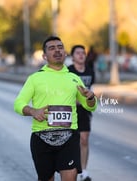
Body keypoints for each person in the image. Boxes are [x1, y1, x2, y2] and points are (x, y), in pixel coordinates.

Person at [14, 36, 97, 181]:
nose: (57, 50)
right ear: (44, 56)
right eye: (52, 48)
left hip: (69, 137)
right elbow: (18, 104)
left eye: (60, 47)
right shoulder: (35, 78)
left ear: (65, 53)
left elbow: (91, 105)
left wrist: (90, 97)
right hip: (42, 137)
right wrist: (33, 111)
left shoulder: (74, 78)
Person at [68, 45, 95, 181]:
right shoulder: (68, 72)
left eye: (83, 53)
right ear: (72, 57)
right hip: (71, 111)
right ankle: (70, 169)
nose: (81, 55)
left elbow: (91, 89)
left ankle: (84, 171)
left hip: (84, 111)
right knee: (71, 141)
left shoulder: (90, 71)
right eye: (77, 53)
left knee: (84, 140)